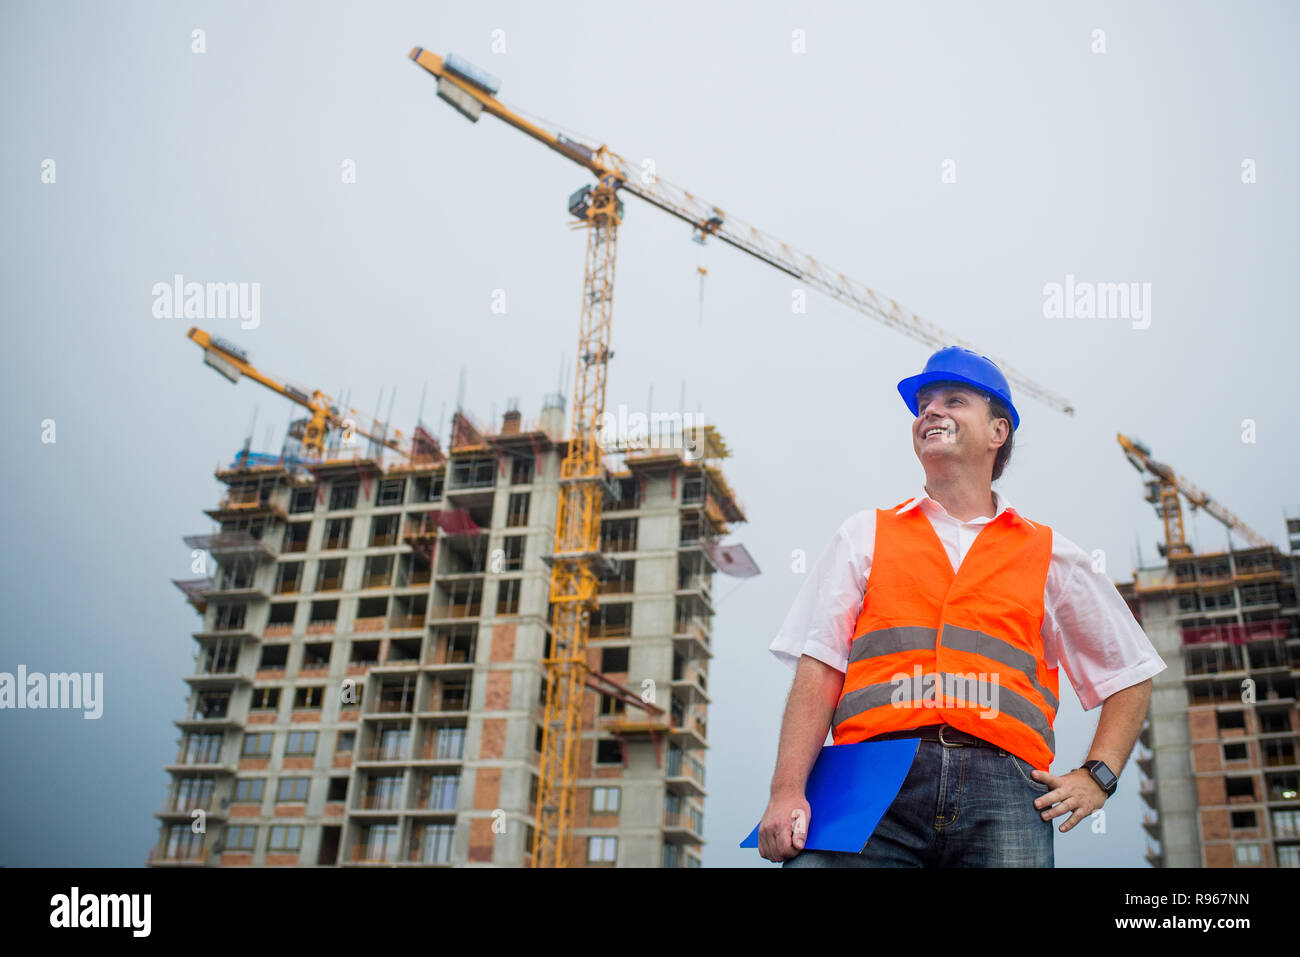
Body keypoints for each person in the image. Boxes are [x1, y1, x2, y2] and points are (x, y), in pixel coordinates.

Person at [759, 346, 1166, 867]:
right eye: (924, 404)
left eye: (954, 400)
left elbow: (1130, 670)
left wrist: (1097, 775)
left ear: (998, 433)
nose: (931, 411)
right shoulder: (864, 535)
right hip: (866, 785)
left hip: (1006, 792)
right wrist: (786, 791)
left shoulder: (1052, 555)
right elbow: (819, 671)